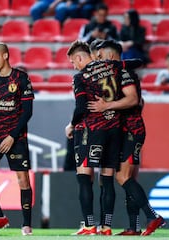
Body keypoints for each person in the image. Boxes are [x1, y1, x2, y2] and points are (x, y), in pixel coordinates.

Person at [88, 41, 165, 236]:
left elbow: (132, 98)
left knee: (123, 177)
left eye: (100, 56)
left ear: (110, 56)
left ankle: (152, 216)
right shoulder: (120, 73)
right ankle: (133, 227)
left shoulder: (123, 73)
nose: (98, 60)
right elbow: (139, 101)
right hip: (127, 130)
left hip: (131, 130)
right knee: (128, 178)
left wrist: (107, 106)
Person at [65, 40, 129, 235]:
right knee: (107, 179)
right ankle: (107, 226)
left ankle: (89, 224)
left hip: (91, 130)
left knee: (85, 177)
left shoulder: (81, 77)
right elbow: (136, 62)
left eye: (73, 62)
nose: (73, 66)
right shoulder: (111, 67)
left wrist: (71, 124)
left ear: (78, 57)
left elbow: (82, 107)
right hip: (114, 129)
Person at [0, 42, 35, 236]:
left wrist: (12, 136)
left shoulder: (21, 78)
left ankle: (26, 225)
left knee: (23, 179)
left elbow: (27, 112)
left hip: (16, 136)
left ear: (5, 56)